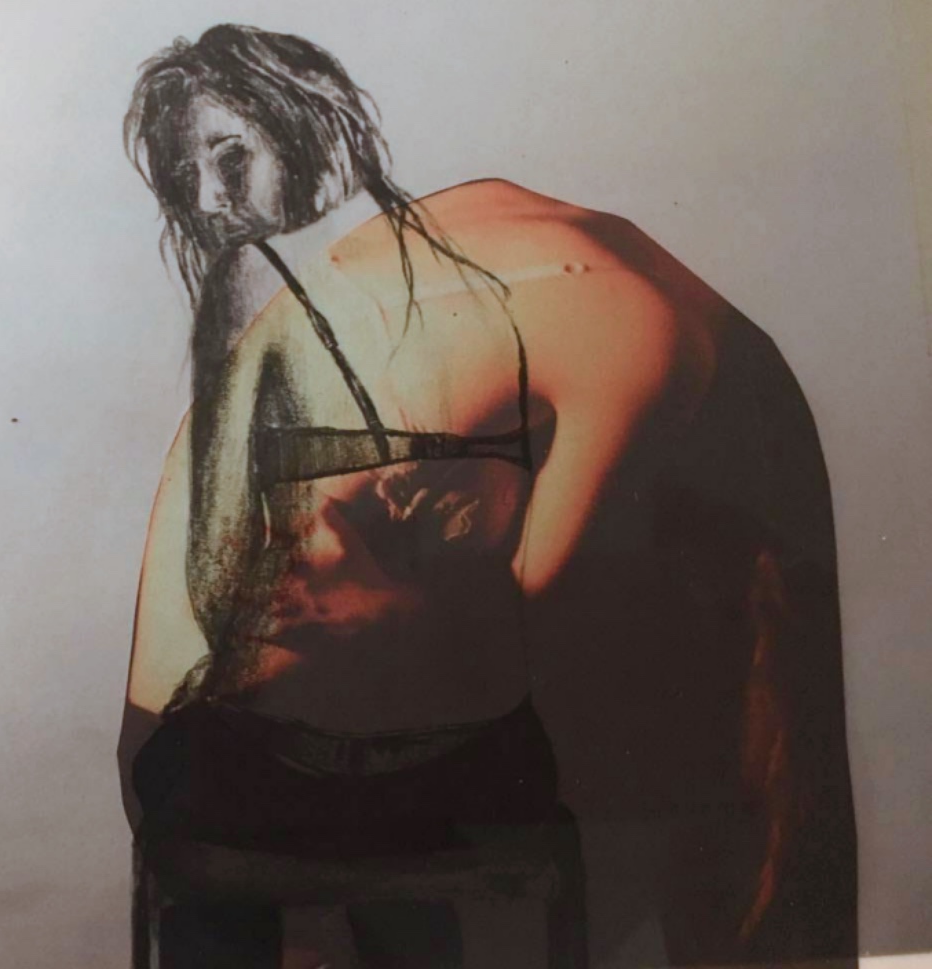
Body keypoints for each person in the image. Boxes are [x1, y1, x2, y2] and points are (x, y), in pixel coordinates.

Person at [118, 23, 856, 969]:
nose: (209, 201)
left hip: (505, 743)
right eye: (186, 178)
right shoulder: (284, 320)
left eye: (231, 159)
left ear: (316, 129)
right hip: (378, 772)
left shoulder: (591, 316)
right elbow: (168, 688)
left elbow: (551, 629)